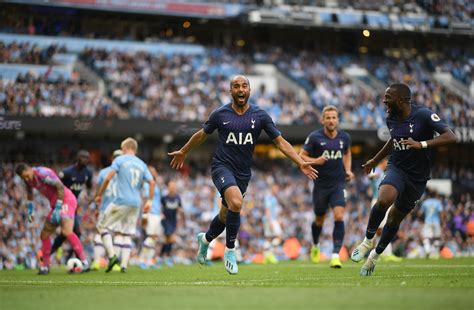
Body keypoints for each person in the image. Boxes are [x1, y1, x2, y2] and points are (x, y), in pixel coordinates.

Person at [168, 75, 317, 274]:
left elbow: (280, 142)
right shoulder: (220, 114)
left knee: (225, 214)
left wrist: (300, 162)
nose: (240, 89)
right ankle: (231, 251)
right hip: (221, 167)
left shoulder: (260, 115)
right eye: (236, 86)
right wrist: (184, 150)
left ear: (249, 90)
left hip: (243, 173)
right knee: (237, 203)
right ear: (231, 91)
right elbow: (202, 134)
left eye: (244, 86)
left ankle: (204, 240)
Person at [351, 83, 457, 276]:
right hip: (397, 168)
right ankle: (367, 241)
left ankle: (375, 256)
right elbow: (394, 139)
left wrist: (422, 144)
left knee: (394, 218)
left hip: (418, 177)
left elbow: (451, 136)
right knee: (383, 199)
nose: (384, 101)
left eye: (388, 97)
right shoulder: (390, 117)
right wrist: (375, 159)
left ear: (401, 100)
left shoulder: (424, 115)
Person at [299, 105, 353, 268]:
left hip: (338, 184)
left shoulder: (345, 137)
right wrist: (316, 161)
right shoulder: (315, 137)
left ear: (338, 119)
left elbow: (347, 153)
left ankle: (335, 255)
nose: (331, 120)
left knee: (339, 215)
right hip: (320, 185)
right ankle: (315, 245)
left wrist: (348, 169)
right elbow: (301, 156)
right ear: (322, 120)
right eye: (328, 118)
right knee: (319, 219)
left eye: (334, 117)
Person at [15, 163, 89, 275]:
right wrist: (30, 208)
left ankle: (84, 262)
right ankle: (45, 267)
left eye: (27, 175)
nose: (26, 178)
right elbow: (29, 191)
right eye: (23, 177)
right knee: (44, 235)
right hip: (55, 204)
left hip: (66, 200)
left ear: (29, 169)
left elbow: (59, 186)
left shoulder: (43, 173)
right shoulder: (28, 180)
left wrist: (58, 206)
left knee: (66, 231)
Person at [95, 137, 155, 273]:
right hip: (136, 204)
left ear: (126, 148)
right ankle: (124, 265)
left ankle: (112, 256)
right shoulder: (142, 164)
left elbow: (108, 177)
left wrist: (99, 194)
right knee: (126, 234)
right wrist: (149, 201)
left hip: (120, 201)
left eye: (122, 149)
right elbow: (152, 182)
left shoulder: (120, 160)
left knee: (101, 226)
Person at [51, 150, 93, 259]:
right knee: (76, 232)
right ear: (77, 158)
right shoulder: (67, 173)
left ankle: (49, 254)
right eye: (83, 157)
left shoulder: (88, 173)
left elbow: (89, 186)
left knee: (66, 233)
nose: (85, 160)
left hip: (73, 206)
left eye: (87, 158)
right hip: (64, 205)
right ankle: (78, 259)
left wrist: (89, 196)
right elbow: (56, 187)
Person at [91, 149, 122, 271]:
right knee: (118, 235)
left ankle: (97, 261)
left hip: (105, 208)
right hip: (120, 207)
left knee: (101, 233)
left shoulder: (104, 172)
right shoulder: (124, 173)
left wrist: (96, 207)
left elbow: (98, 191)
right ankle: (115, 263)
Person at [367, 158, 402, 262]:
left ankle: (384, 252)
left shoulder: (385, 172)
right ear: (382, 162)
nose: (388, 164)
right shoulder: (377, 170)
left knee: (382, 228)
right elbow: (370, 176)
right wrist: (374, 176)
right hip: (378, 201)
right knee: (382, 228)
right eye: (386, 162)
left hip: (384, 201)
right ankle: (384, 252)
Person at [139, 166, 162, 269]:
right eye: (152, 172)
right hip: (151, 213)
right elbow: (145, 200)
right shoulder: (146, 185)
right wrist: (144, 215)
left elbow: (158, 201)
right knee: (151, 236)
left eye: (155, 171)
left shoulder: (155, 185)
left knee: (154, 238)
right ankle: (142, 259)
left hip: (156, 213)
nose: (154, 173)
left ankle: (149, 260)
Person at [159, 180, 184, 267]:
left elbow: (180, 209)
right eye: (171, 186)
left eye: (174, 186)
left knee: (167, 240)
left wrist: (180, 213)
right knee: (171, 238)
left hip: (173, 221)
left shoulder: (177, 198)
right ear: (168, 187)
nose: (172, 188)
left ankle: (161, 257)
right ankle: (167, 257)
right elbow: (160, 207)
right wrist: (161, 214)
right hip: (166, 220)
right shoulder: (164, 198)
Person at [262, 184, 283, 264]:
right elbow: (267, 210)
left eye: (277, 189)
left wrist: (278, 220)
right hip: (269, 220)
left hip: (273, 219)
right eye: (275, 189)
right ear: (272, 189)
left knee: (269, 238)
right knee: (279, 236)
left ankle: (266, 255)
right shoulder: (269, 197)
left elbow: (275, 210)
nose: (277, 191)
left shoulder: (274, 198)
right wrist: (270, 221)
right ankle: (270, 253)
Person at [420, 190, 443, 259]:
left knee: (426, 237)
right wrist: (443, 222)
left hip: (428, 221)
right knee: (437, 238)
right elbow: (441, 213)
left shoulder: (425, 203)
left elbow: (420, 213)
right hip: (436, 222)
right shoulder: (438, 202)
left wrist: (421, 220)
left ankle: (428, 250)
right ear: (435, 195)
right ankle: (435, 253)